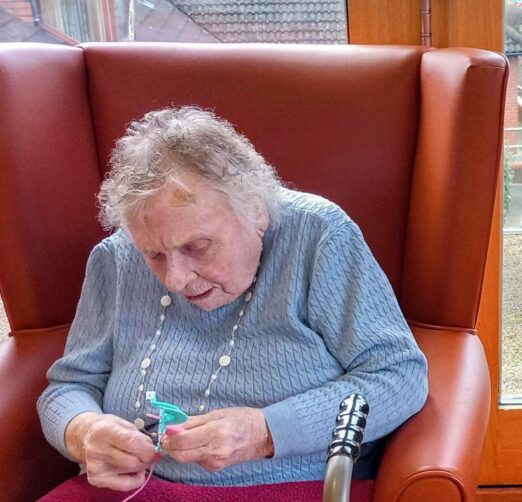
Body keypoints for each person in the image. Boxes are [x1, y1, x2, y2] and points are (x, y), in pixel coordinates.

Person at [37, 106, 428, 492]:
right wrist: (84, 431)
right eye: (154, 255)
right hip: (133, 490)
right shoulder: (116, 257)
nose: (175, 279)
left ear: (256, 211)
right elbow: (68, 388)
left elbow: (399, 376)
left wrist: (266, 431)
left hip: (289, 488)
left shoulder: (319, 236)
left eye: (198, 247)